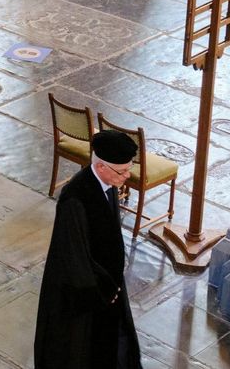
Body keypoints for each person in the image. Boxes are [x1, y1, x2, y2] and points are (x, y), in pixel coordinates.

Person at [33, 129, 143, 369]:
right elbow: (73, 257)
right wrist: (104, 291)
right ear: (101, 166)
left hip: (107, 288)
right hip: (84, 297)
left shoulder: (107, 183)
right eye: (122, 171)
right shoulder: (75, 198)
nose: (127, 176)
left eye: (128, 169)